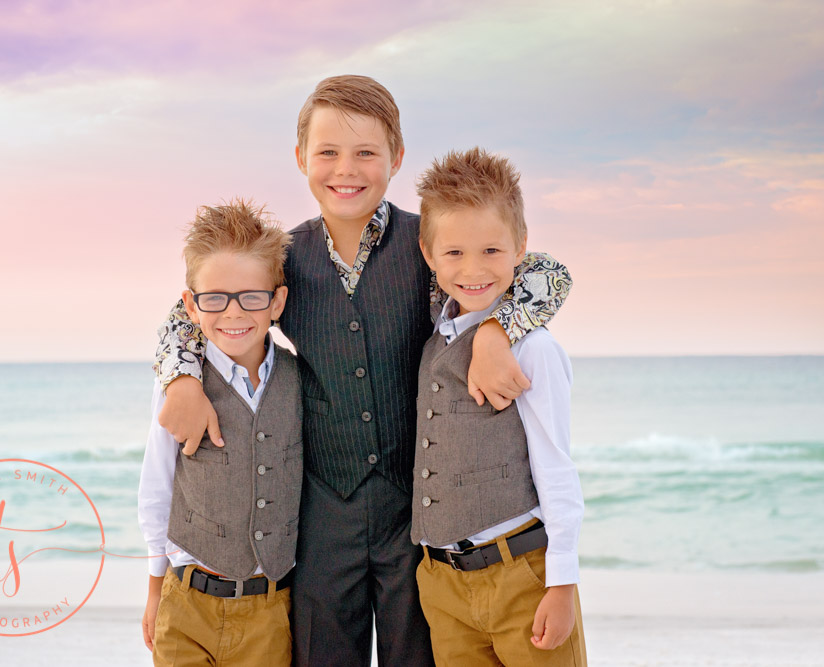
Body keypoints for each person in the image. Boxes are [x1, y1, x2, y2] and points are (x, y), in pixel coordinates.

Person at [151, 75, 573, 666]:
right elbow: (190, 307)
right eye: (327, 152)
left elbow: (547, 272)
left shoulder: (428, 244)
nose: (345, 169)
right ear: (301, 159)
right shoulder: (284, 258)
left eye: (366, 153)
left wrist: (501, 331)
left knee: (418, 653)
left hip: (417, 506)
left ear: (396, 159)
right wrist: (181, 377)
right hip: (324, 509)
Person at [412, 147, 587, 666]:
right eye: (454, 254)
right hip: (442, 583)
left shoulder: (534, 348)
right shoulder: (435, 333)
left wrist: (563, 583)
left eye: (492, 250)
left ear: (521, 248)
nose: (473, 270)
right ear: (428, 253)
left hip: (521, 574)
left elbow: (556, 466)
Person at [138, 200, 301, 666]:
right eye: (215, 298)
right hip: (186, 603)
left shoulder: (297, 380)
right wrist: (153, 590)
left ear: (278, 301)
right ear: (190, 304)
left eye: (252, 296)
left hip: (270, 609)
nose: (234, 313)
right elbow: (157, 485)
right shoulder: (177, 385)